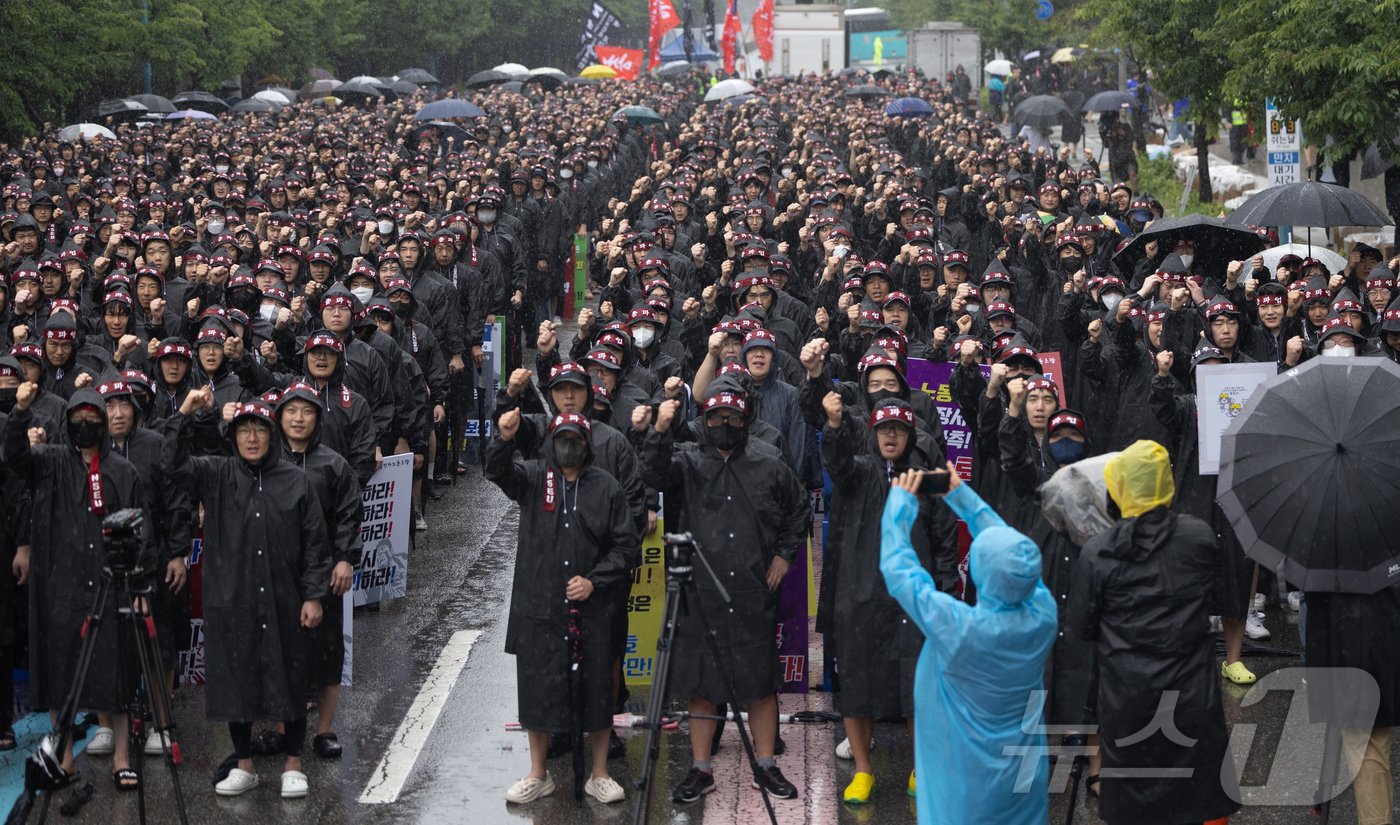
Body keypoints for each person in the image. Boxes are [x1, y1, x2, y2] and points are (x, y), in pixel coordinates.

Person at [637, 391, 807, 803]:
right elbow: (653, 474)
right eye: (715, 417)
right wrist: (660, 428)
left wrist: (784, 556)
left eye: (732, 415)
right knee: (701, 684)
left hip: (753, 588)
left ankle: (765, 766)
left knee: (761, 683)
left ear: (747, 417)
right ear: (704, 420)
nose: (724, 424)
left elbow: (799, 508)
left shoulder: (770, 460)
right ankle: (701, 769)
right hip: (702, 590)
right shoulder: (688, 459)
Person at [162, 388, 331, 799]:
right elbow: (168, 462)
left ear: (272, 434)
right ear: (233, 435)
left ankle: (293, 762)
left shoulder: (296, 481)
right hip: (232, 599)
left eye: (259, 429)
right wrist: (186, 411)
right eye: (243, 430)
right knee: (235, 679)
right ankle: (244, 764)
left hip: (285, 598)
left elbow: (315, 544)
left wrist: (312, 595)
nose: (252, 438)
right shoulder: (215, 473)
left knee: (289, 676)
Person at [1068, 439, 1241, 825]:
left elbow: (1081, 627)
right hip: (1190, 694)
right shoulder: (1197, 537)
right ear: (1167, 484)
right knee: (1198, 795)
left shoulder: (1098, 551)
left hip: (1129, 699)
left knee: (1137, 802)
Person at [879, 461, 1056, 825]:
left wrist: (899, 506)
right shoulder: (1043, 613)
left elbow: (900, 572)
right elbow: (1012, 557)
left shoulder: (959, 628)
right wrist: (962, 497)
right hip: (1021, 784)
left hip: (964, 792)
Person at [5, 383, 153, 792]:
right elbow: (13, 458)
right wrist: (20, 413)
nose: (85, 425)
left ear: (104, 425)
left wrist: (140, 583)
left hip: (112, 584)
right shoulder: (49, 461)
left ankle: (122, 758)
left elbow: (142, 530)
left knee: (118, 673)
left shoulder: (123, 471)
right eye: (77, 419)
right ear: (66, 423)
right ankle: (65, 757)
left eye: (93, 418)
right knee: (60, 674)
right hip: (61, 585)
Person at [487, 408, 640, 805]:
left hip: (593, 610)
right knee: (537, 688)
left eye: (576, 439)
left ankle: (600, 773)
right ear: (551, 443)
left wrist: (595, 580)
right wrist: (503, 439)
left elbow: (627, 547)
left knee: (597, 692)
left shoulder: (606, 487)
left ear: (587, 444)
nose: (568, 446)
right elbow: (498, 472)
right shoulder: (534, 478)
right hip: (539, 605)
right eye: (562, 439)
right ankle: (538, 773)